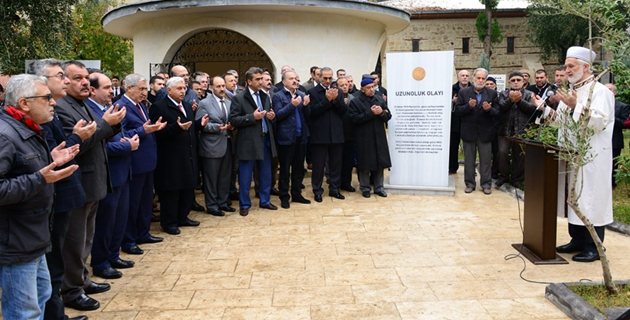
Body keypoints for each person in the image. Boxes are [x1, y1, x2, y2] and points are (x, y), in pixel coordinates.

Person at [0, 74, 79, 320]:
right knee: (24, 312)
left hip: (34, 236)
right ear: (24, 103)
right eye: (46, 98)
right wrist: (41, 178)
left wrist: (50, 160)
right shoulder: (5, 134)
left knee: (42, 296)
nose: (53, 102)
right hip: (16, 242)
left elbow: (24, 168)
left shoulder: (27, 129)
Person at [56, 61, 126, 311]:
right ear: (65, 80)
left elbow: (97, 137)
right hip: (78, 184)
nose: (84, 82)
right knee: (74, 242)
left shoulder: (82, 104)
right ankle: (72, 291)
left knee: (86, 238)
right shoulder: (63, 108)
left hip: (93, 182)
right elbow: (74, 146)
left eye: (86, 77)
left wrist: (111, 124)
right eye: (78, 78)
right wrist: (107, 123)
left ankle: (82, 280)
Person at [539, 46, 615, 262]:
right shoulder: (572, 92)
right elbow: (563, 123)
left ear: (586, 67)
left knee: (590, 198)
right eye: (567, 65)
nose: (568, 70)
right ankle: (577, 239)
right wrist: (545, 111)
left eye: (571, 66)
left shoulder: (600, 92)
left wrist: (575, 107)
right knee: (574, 197)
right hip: (570, 155)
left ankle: (594, 245)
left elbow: (599, 122)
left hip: (591, 158)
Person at [85, 72, 139, 280]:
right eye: (106, 88)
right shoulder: (89, 111)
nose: (112, 91)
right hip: (108, 173)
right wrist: (126, 146)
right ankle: (100, 262)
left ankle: (113, 255)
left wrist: (128, 139)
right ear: (93, 91)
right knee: (106, 221)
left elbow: (120, 132)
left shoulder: (110, 108)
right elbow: (100, 145)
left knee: (119, 218)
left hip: (123, 171)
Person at [150, 77, 208, 235]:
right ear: (169, 90)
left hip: (188, 155)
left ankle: (183, 217)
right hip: (170, 158)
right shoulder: (159, 107)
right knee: (171, 192)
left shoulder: (187, 106)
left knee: (187, 189)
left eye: (184, 88)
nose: (183, 91)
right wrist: (176, 127)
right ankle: (169, 222)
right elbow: (158, 133)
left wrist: (198, 125)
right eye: (179, 88)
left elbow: (187, 128)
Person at [120, 74, 166, 254]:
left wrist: (153, 128)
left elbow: (145, 126)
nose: (144, 92)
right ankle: (129, 240)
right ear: (128, 88)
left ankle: (143, 232)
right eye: (141, 89)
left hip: (147, 161)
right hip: (134, 162)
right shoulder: (122, 106)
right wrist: (144, 130)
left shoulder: (140, 105)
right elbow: (122, 132)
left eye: (145, 89)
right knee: (133, 203)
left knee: (146, 200)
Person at [230, 67, 278, 216]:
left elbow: (267, 115)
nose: (260, 82)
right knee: (245, 175)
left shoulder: (265, 96)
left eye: (261, 79)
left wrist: (271, 117)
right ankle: (244, 204)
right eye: (257, 79)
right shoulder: (239, 98)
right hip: (248, 142)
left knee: (266, 173)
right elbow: (233, 120)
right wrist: (252, 117)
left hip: (265, 139)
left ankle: (265, 200)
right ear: (249, 81)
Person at [196, 76, 236, 216]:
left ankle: (223, 202)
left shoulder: (229, 103)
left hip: (227, 144)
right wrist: (217, 128)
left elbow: (232, 120)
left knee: (225, 176)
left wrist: (232, 125)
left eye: (223, 86)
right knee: (211, 178)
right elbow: (200, 124)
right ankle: (212, 205)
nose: (222, 89)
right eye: (218, 86)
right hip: (211, 145)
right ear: (211, 88)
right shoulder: (205, 103)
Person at [455, 68, 498, 195]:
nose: (480, 80)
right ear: (473, 78)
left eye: (483, 78)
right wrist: (469, 107)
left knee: (485, 160)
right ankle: (469, 184)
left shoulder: (492, 94)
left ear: (486, 79)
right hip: (469, 132)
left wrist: (489, 109)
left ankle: (486, 184)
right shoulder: (464, 93)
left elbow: (498, 112)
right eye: (478, 78)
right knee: (469, 160)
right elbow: (458, 111)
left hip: (485, 132)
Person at [272, 70, 312, 209]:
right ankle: (284, 197)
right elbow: (278, 115)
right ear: (284, 82)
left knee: (298, 169)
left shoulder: (301, 94)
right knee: (284, 170)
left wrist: (306, 105)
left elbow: (308, 117)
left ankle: (297, 194)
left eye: (296, 78)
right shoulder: (278, 96)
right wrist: (292, 105)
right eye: (291, 79)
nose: (295, 81)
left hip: (301, 138)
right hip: (285, 138)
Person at [307, 67, 347, 202]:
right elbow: (313, 112)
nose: (328, 81)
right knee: (318, 166)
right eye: (325, 78)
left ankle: (334, 189)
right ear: (319, 77)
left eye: (330, 78)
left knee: (336, 164)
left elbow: (343, 111)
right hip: (319, 134)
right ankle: (317, 190)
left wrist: (335, 100)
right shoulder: (312, 92)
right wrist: (327, 100)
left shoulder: (338, 92)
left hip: (336, 133)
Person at [348, 77, 392, 198]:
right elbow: (354, 119)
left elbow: (388, 115)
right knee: (365, 164)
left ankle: (379, 187)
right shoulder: (355, 102)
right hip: (364, 138)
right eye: (368, 88)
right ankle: (365, 188)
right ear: (362, 89)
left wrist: (381, 113)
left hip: (379, 137)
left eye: (373, 87)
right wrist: (370, 113)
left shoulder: (378, 99)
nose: (371, 90)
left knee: (380, 163)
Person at [495, 71, 537, 189]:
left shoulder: (529, 94)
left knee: (520, 156)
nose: (516, 82)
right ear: (509, 82)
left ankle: (517, 179)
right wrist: (511, 100)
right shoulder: (503, 94)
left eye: (518, 80)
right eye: (513, 80)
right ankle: (503, 177)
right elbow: (501, 108)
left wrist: (519, 101)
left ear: (524, 81)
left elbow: (531, 109)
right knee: (502, 153)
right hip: (505, 131)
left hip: (522, 131)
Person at [605, 83, 629, 188]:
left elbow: (624, 123)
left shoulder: (622, 106)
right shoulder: (596, 105)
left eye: (609, 89)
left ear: (615, 93)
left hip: (615, 139)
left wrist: (611, 117)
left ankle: (611, 183)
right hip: (600, 138)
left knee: (613, 162)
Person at [450, 70, 470, 174]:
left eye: (467, 76)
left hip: (469, 122)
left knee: (469, 147)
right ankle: (452, 167)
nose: (465, 77)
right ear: (458, 77)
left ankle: (470, 169)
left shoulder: (473, 89)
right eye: (463, 76)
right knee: (453, 146)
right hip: (455, 122)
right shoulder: (452, 89)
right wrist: (452, 101)